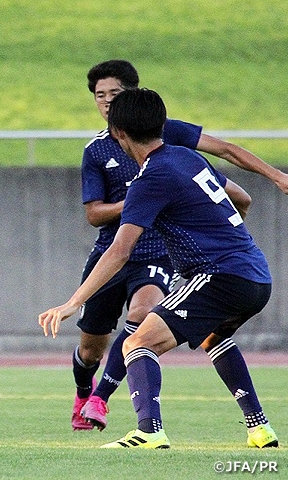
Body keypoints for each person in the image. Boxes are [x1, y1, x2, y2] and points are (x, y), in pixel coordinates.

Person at [39, 88, 278, 449]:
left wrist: (73, 303)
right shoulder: (186, 156)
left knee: (136, 342)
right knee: (215, 337)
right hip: (256, 274)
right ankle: (259, 429)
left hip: (220, 276)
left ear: (118, 132)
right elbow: (242, 197)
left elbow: (120, 250)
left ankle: (149, 431)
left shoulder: (150, 178)